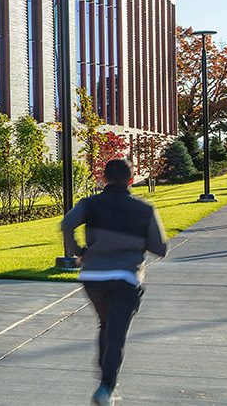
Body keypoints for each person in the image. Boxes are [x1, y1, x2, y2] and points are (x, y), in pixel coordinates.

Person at [58, 157, 169, 405]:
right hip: (126, 277)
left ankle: (104, 382)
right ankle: (106, 388)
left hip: (93, 277)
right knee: (117, 333)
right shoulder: (144, 209)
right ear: (131, 180)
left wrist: (78, 251)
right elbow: (161, 248)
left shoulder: (90, 203)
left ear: (103, 178)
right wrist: (137, 241)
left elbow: (66, 223)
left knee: (106, 324)